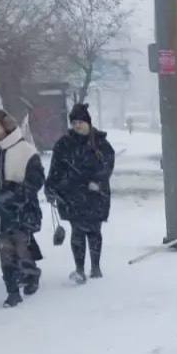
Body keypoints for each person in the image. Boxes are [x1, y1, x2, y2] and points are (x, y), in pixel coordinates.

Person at [0, 110, 45, 308]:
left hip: (21, 208)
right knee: (5, 251)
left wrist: (16, 192)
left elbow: (36, 180)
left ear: (5, 125)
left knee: (21, 247)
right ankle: (12, 291)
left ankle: (31, 273)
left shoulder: (25, 150)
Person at [46, 103, 115, 283]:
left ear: (88, 123)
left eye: (80, 122)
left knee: (94, 230)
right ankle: (79, 269)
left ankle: (95, 266)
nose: (77, 126)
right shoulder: (64, 144)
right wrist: (50, 187)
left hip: (96, 194)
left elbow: (108, 165)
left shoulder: (100, 143)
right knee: (77, 230)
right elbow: (55, 168)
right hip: (71, 194)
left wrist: (97, 181)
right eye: (74, 122)